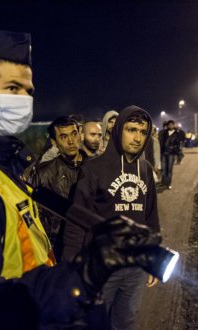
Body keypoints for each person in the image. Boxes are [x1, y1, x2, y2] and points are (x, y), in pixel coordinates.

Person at [0, 30, 161, 330]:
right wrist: (81, 275)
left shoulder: (5, 166)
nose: (24, 100)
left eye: (28, 91)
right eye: (13, 88)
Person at [67, 106, 161, 329]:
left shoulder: (146, 170)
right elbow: (76, 222)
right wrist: (70, 268)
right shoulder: (93, 169)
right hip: (102, 266)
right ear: (119, 130)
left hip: (135, 267)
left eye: (142, 131)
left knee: (125, 321)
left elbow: (151, 217)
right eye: (131, 130)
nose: (138, 137)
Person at [27, 115, 85, 259]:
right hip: (59, 249)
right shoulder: (44, 173)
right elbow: (37, 217)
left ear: (80, 135)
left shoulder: (96, 168)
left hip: (90, 246)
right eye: (63, 137)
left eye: (74, 134)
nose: (71, 141)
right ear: (54, 142)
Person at [159, 120, 181, 189]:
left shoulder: (176, 134)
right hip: (164, 153)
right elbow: (161, 142)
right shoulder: (164, 132)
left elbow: (178, 145)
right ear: (168, 125)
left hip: (171, 154)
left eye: (172, 124)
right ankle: (164, 182)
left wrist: (177, 154)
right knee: (164, 168)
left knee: (169, 169)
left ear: (173, 125)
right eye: (169, 125)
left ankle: (168, 183)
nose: (170, 126)